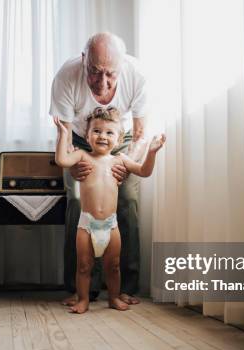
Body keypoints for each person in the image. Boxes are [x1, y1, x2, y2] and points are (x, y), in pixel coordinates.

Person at [49, 32, 148, 306]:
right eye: (94, 72)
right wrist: (71, 164)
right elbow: (64, 133)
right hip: (80, 138)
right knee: (77, 200)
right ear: (83, 61)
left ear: (122, 67)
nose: (102, 83)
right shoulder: (66, 77)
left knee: (127, 199)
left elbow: (140, 133)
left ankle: (126, 287)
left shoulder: (137, 74)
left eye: (110, 75)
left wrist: (126, 164)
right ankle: (82, 288)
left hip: (122, 139)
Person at [54, 107, 165, 313]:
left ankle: (114, 298)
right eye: (96, 131)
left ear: (119, 137)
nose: (102, 136)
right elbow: (61, 160)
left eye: (109, 132)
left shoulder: (120, 160)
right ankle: (83, 299)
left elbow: (144, 171)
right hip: (87, 225)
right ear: (87, 136)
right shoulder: (81, 156)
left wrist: (151, 152)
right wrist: (63, 134)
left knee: (113, 267)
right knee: (84, 266)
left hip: (110, 226)